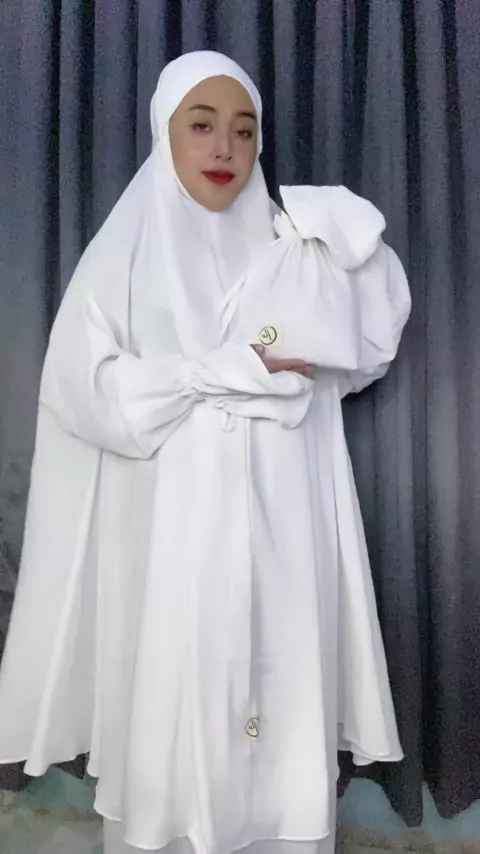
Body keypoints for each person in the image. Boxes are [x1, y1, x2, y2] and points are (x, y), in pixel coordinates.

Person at [0, 51, 410, 854]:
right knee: (176, 704)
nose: (225, 147)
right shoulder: (122, 257)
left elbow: (368, 344)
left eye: (244, 130)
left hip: (285, 527)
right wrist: (214, 373)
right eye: (202, 125)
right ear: (167, 133)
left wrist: (334, 228)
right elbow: (88, 392)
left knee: (280, 688)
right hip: (174, 539)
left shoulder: (292, 248)